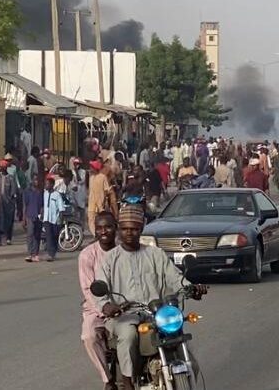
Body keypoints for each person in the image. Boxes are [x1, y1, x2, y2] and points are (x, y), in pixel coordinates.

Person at [96, 205, 208, 390]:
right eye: (125, 229)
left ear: (141, 229)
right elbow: (100, 290)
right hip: (124, 316)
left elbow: (174, 277)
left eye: (134, 229)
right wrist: (108, 306)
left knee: (185, 348)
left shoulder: (156, 254)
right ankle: (127, 380)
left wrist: (191, 289)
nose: (129, 233)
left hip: (157, 313)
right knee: (129, 335)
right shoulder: (109, 259)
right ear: (119, 229)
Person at [80, 212, 118, 390]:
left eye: (108, 227)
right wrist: (105, 308)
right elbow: (88, 289)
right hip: (97, 310)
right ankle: (108, 380)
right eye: (100, 228)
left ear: (115, 228)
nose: (104, 231)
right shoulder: (87, 255)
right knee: (89, 336)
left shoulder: (123, 250)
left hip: (126, 307)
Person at [88, 160, 117, 235]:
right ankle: (95, 235)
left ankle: (100, 235)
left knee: (101, 221)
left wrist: (104, 201)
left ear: (95, 168)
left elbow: (106, 190)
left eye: (92, 167)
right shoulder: (91, 178)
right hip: (91, 203)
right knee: (91, 220)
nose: (90, 169)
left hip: (101, 203)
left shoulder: (103, 177)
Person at [0, 160, 19, 245]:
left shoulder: (11, 178)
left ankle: (8, 238)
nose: (0, 168)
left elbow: (13, 190)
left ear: (5, 168)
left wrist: (11, 199)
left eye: (1, 167)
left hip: (8, 202)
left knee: (8, 220)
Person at [43, 175, 65, 261]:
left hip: (55, 220)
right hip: (46, 219)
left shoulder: (57, 195)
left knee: (54, 236)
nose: (46, 185)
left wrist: (60, 219)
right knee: (48, 236)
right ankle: (50, 254)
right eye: (46, 184)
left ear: (52, 185)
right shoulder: (45, 193)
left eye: (47, 184)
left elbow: (61, 209)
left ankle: (54, 252)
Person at [23, 174, 45, 262]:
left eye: (38, 180)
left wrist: (42, 214)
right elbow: (25, 205)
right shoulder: (27, 191)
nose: (37, 182)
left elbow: (43, 205)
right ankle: (30, 253)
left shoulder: (41, 192)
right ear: (31, 181)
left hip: (38, 216)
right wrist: (24, 218)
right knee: (30, 234)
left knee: (37, 235)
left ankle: (36, 253)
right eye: (35, 180)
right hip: (29, 215)